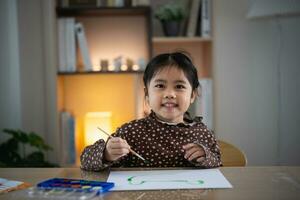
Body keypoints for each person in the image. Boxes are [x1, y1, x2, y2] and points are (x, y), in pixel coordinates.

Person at [80, 52, 222, 171]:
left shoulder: (202, 133)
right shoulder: (131, 132)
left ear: (192, 95)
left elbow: (218, 163)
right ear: (147, 94)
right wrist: (106, 154)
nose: (170, 94)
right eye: (160, 85)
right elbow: (86, 160)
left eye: (179, 86)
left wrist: (205, 156)